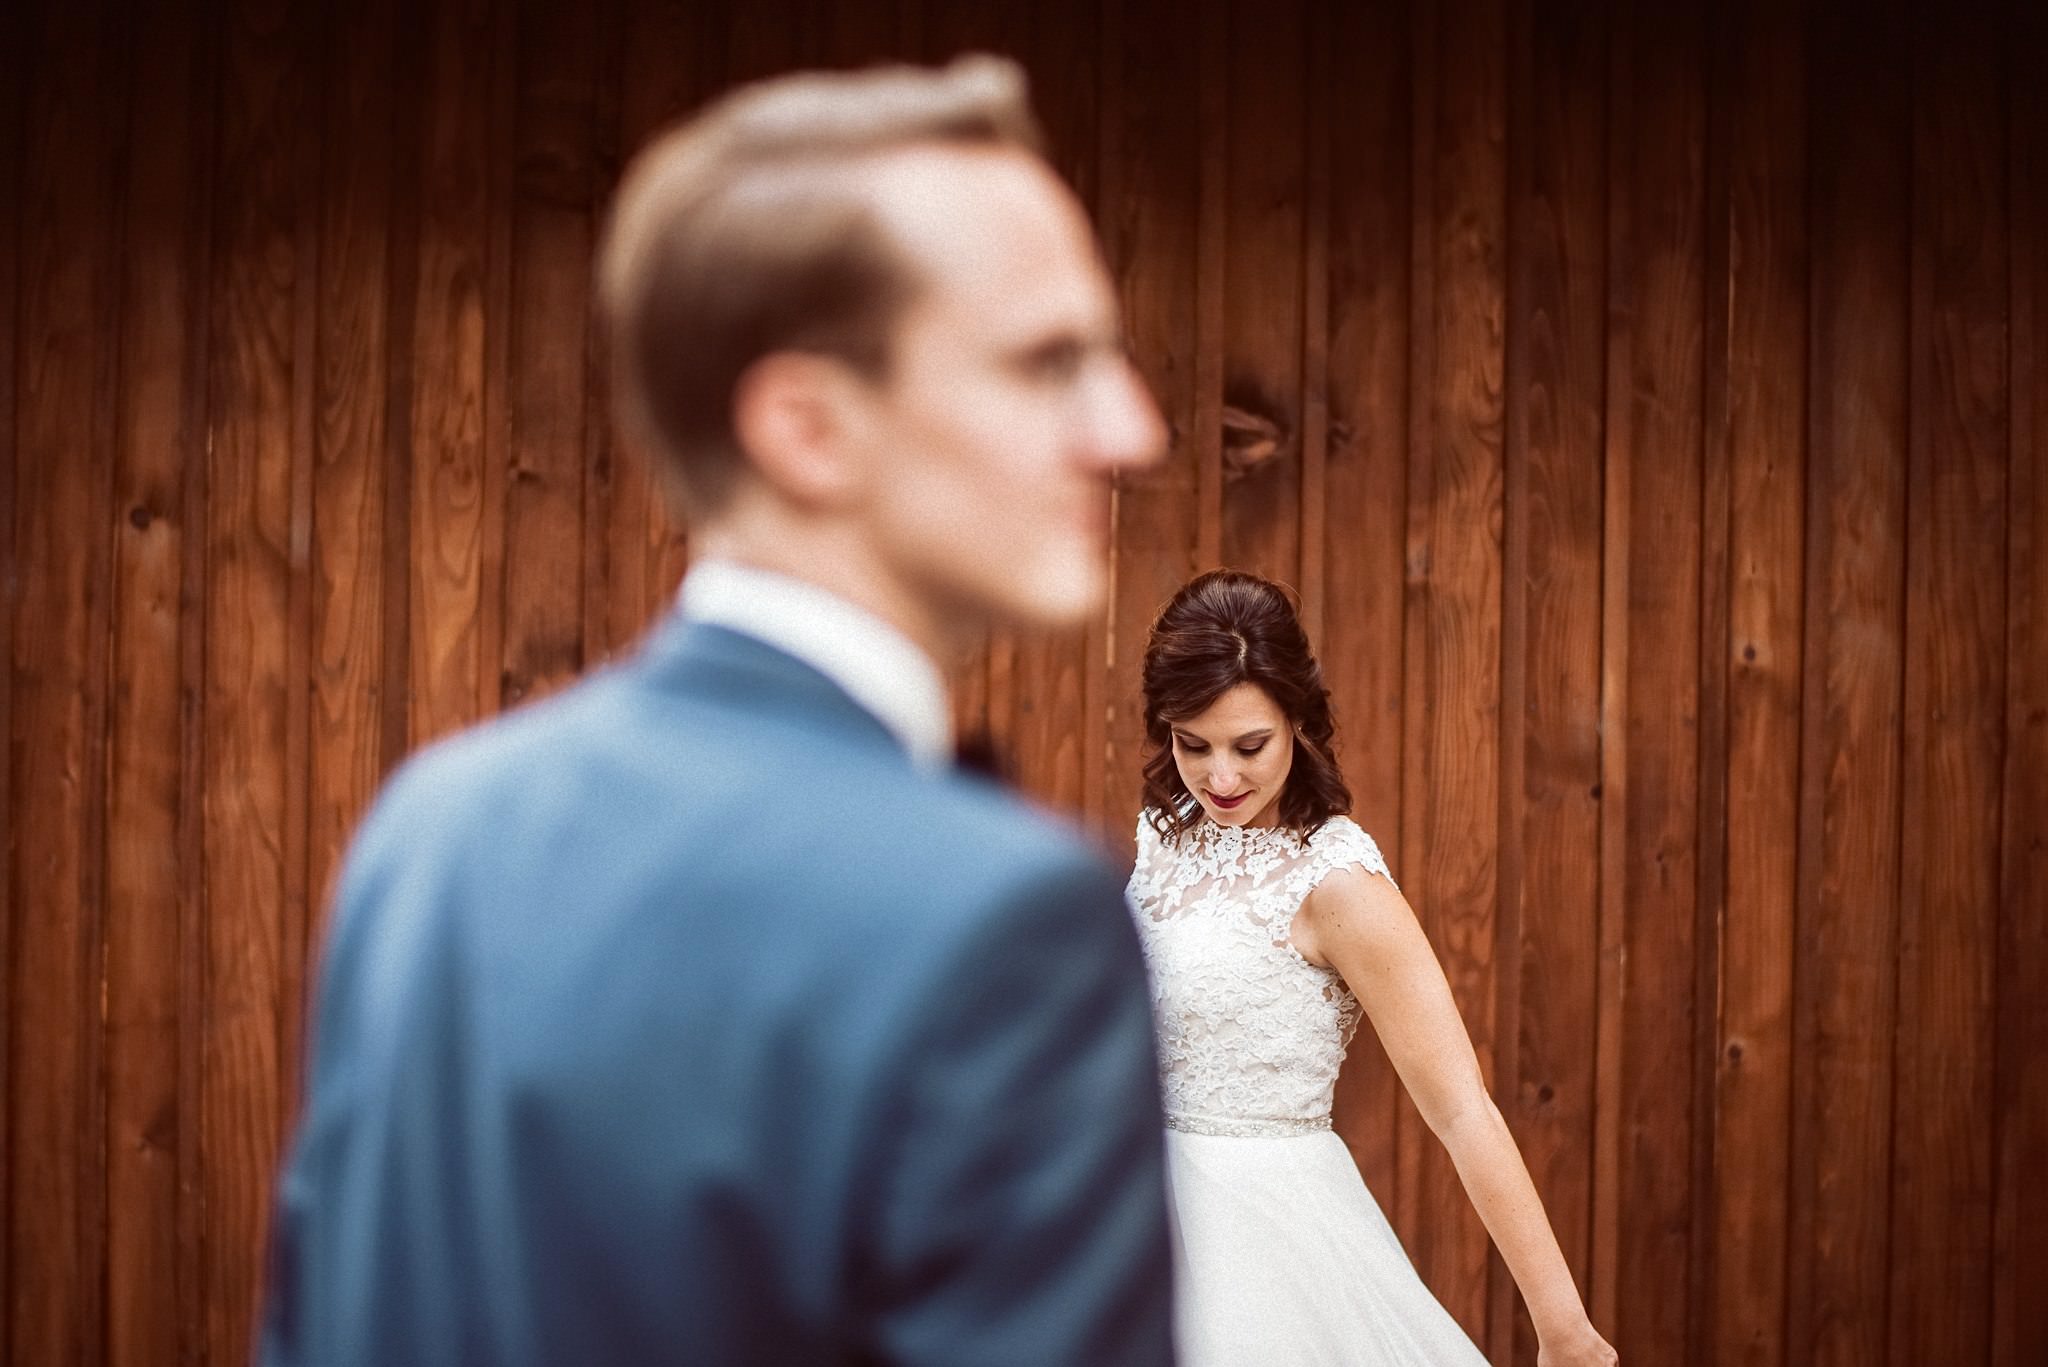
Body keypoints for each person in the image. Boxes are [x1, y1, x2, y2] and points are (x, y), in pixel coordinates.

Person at [260, 56, 1177, 1367]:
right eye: (1049, 362)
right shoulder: (1010, 923)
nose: (1129, 428)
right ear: (808, 427)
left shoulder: (432, 828)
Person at [1127, 569, 1616, 1367]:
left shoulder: (1340, 885)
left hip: (1269, 1244)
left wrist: (1562, 1327)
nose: (1219, 778)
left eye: (1250, 746)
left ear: (1298, 722)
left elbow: (1462, 1110)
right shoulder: (1164, 835)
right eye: (1193, 744)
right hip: (1136, 1220)